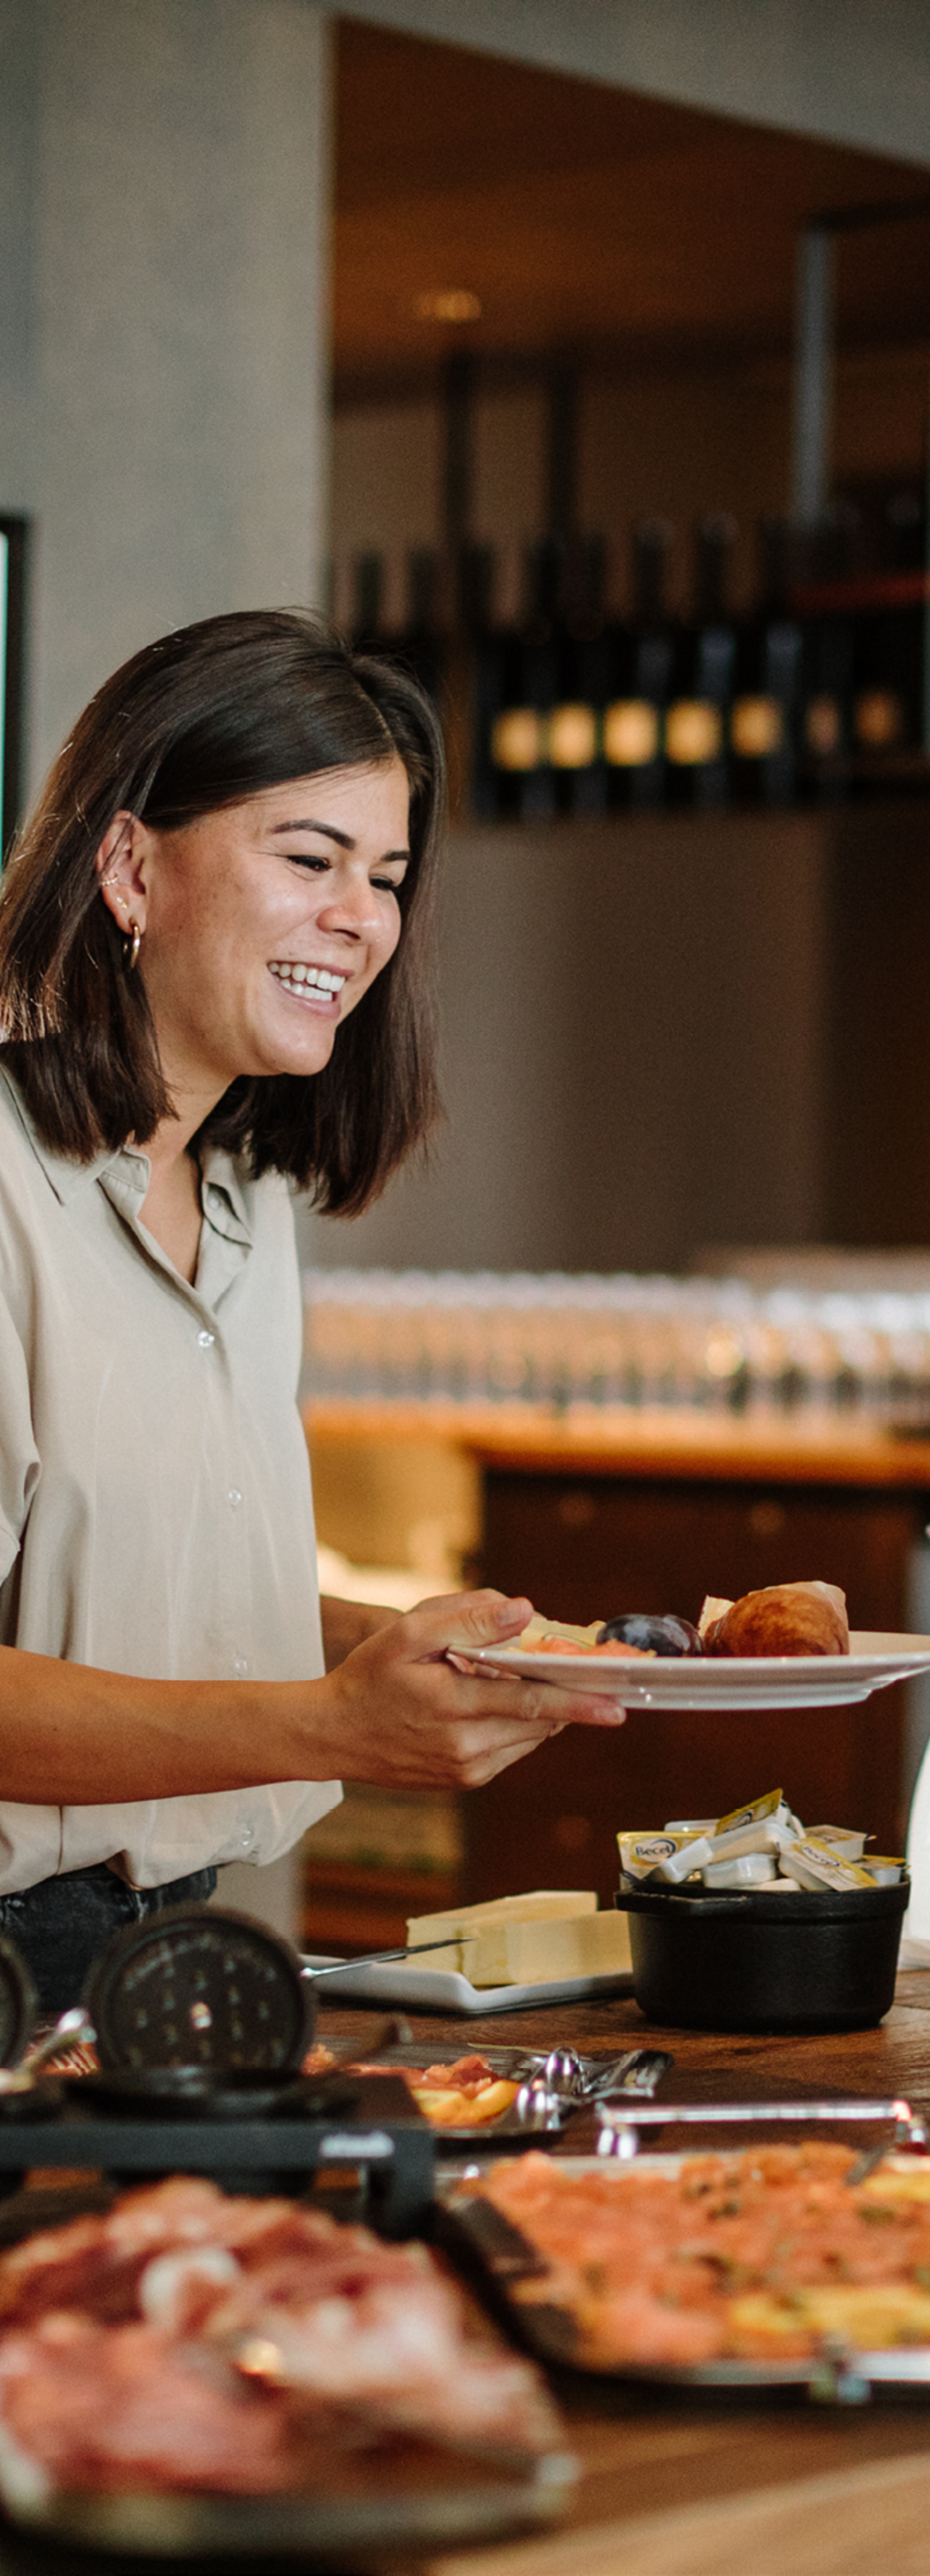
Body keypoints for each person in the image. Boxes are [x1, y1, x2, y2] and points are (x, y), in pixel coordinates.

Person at [0, 607, 623, 2008]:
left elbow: (153, 1608)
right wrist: (331, 1721)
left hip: (170, 1950)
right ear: (128, 867)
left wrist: (439, 1656)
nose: (361, 917)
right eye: (309, 858)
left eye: (388, 874)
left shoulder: (240, 1198)